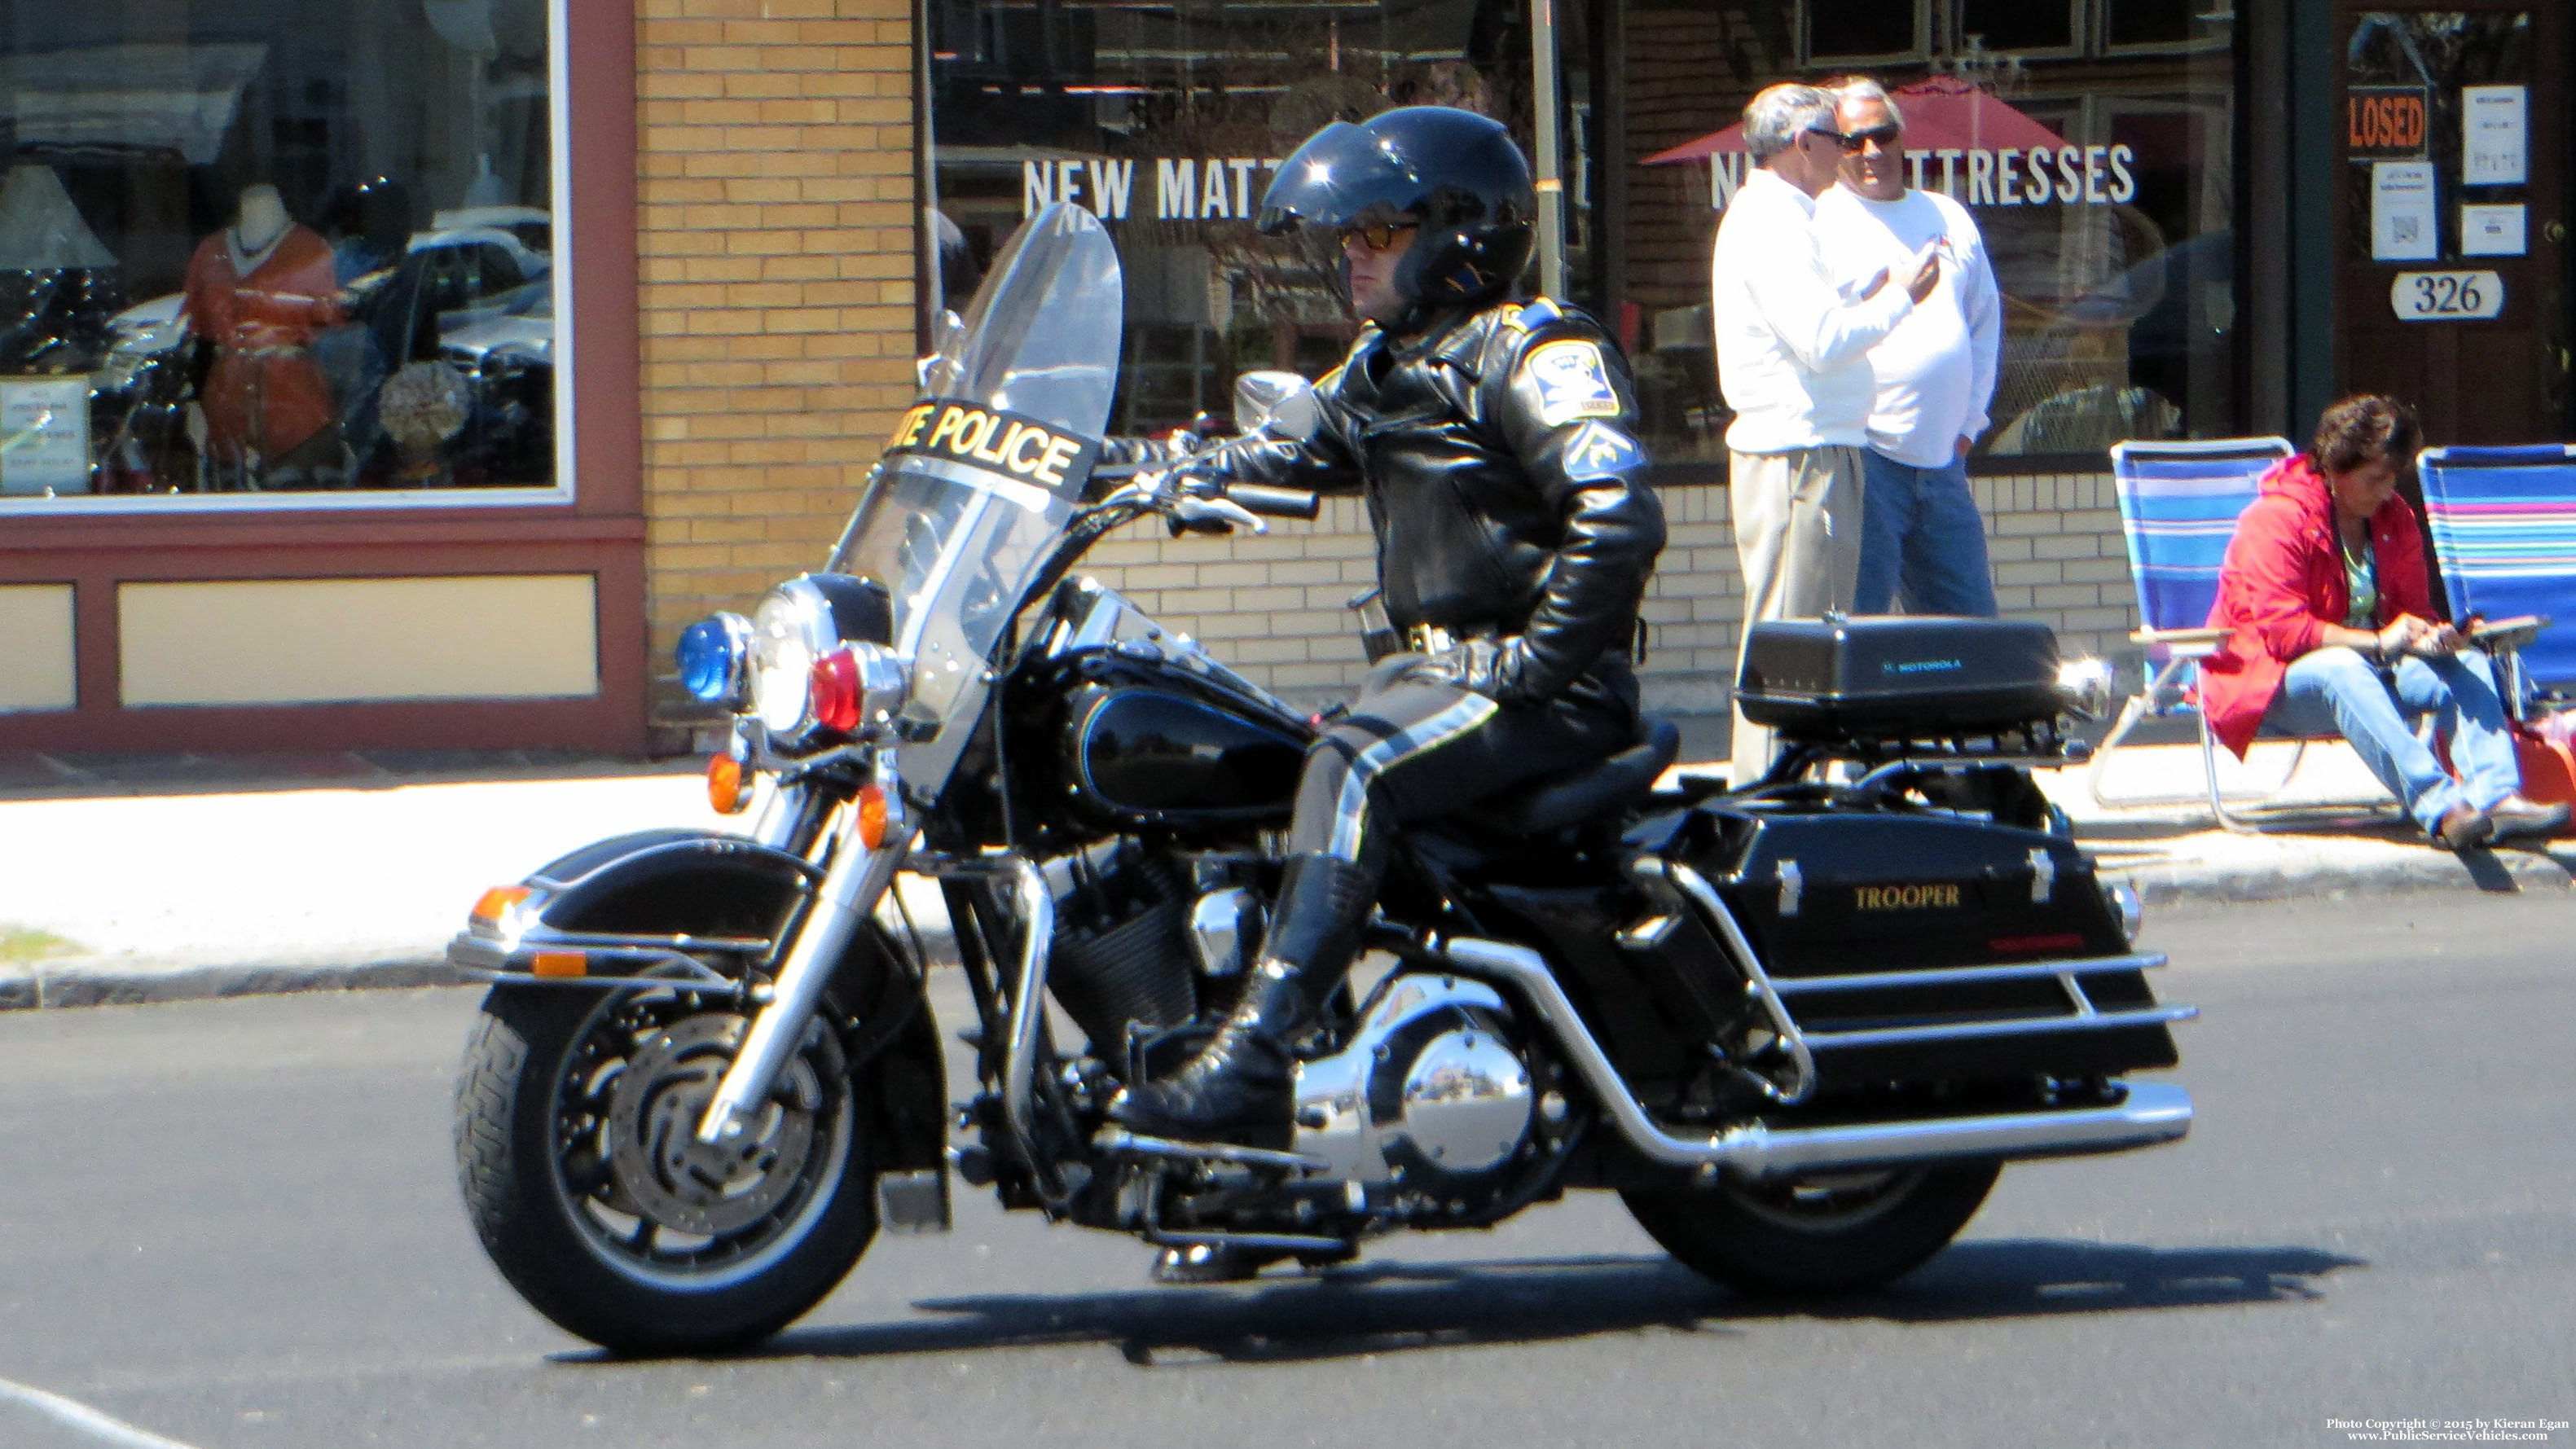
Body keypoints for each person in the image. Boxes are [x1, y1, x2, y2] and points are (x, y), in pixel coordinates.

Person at [1105, 107, 1665, 1262]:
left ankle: (1247, 1067)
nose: (1350, 253)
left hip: (1546, 693)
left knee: (1348, 761)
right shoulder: (1385, 364)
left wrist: (1531, 664)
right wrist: (1104, 465)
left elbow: (1614, 521)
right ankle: (1258, 1165)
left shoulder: (1535, 350)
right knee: (1240, 776)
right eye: (1348, 231)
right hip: (1439, 675)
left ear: (1454, 232)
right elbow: (1265, 453)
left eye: (1374, 228)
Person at [2200, 394, 2569, 849]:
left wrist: (2433, 635)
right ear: (2336, 468)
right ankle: (2442, 807)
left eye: (2394, 476)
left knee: (2468, 663)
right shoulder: (2274, 520)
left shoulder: (2395, 519)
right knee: (2341, 666)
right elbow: (2285, 632)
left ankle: (2494, 799)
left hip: (2376, 670)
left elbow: (2410, 611)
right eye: (2376, 478)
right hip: (2272, 684)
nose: (2388, 490)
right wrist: (2377, 641)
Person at [1712, 82, 1941, 787]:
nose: (1849, 154)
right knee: (1793, 632)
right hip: (1798, 452)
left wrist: (1865, 292)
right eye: (1839, 140)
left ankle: (1795, 785)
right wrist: (1902, 294)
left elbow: (1816, 323)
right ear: (1802, 144)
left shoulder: (1785, 216)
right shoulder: (1772, 222)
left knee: (1811, 629)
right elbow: (1820, 340)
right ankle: (1769, 793)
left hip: (1814, 445)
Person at [1813, 77, 2002, 617]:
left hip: (1942, 464)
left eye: (1883, 134)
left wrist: (1969, 425)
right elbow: (1820, 334)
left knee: (1973, 631)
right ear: (1834, 148)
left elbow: (1984, 321)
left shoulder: (1948, 215)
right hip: (1866, 463)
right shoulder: (1821, 221)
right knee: (1861, 630)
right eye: (1853, 141)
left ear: (1901, 137)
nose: (1871, 151)